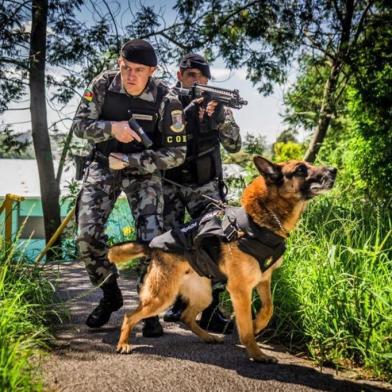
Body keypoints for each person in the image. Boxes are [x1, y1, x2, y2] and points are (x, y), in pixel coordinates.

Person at [72, 39, 187, 337]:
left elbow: (176, 154)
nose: (130, 75)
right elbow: (80, 125)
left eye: (138, 70)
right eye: (125, 67)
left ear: (152, 70)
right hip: (102, 164)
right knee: (85, 236)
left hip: (143, 172)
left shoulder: (166, 98)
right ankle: (110, 293)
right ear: (119, 63)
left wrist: (131, 159)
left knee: (152, 240)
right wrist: (113, 129)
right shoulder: (102, 84)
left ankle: (147, 306)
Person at [162, 53, 241, 334]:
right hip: (169, 184)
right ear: (180, 76)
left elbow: (234, 145)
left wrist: (220, 119)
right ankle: (178, 303)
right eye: (190, 75)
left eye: (201, 76)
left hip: (205, 184)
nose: (196, 81)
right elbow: (157, 139)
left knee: (214, 243)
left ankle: (211, 311)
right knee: (169, 244)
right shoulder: (166, 99)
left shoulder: (217, 103)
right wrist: (185, 116)